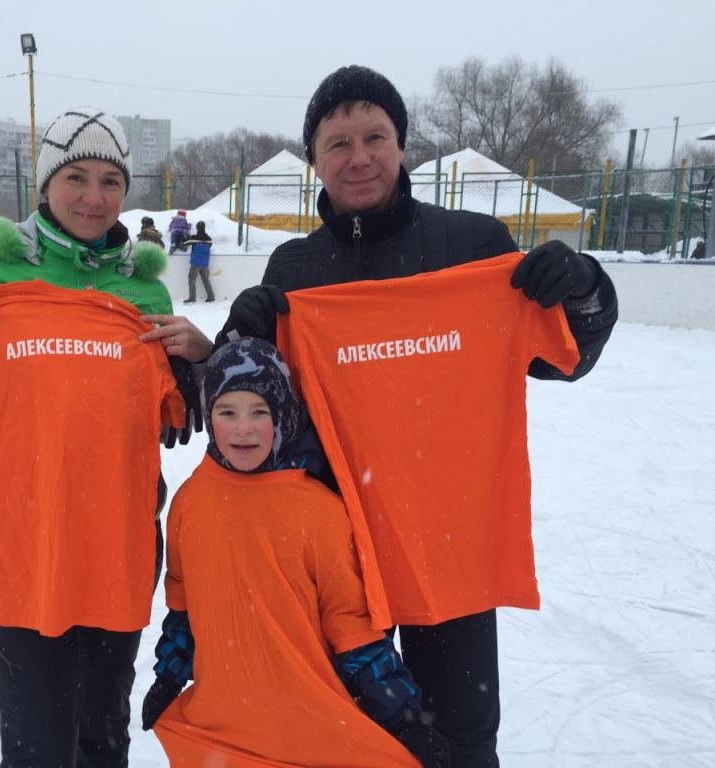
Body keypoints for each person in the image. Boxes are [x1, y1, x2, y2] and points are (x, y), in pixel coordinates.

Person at [218, 65, 618, 768]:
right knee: (340, 737)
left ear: (402, 146)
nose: (359, 156)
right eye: (338, 143)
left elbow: (564, 359)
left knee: (458, 741)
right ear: (314, 157)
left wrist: (585, 291)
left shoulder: (474, 246)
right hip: (333, 546)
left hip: (449, 546)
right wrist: (238, 334)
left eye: (376, 136)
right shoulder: (295, 266)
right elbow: (250, 406)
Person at [0, 106, 211, 768]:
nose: (94, 198)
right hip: (23, 551)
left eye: (111, 181)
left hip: (119, 546)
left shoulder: (145, 294)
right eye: (77, 178)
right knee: (36, 747)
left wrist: (202, 364)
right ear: (44, 185)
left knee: (101, 739)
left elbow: (185, 417)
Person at [141, 337, 449, 768]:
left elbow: (353, 628)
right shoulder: (190, 502)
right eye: (227, 412)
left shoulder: (320, 512)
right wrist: (169, 675)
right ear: (209, 417)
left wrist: (405, 717)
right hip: (224, 729)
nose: (242, 428)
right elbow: (185, 608)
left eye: (259, 412)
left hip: (307, 727)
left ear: (283, 416)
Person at [182, 221, 215, 304]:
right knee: (206, 280)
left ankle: (192, 298)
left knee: (191, 279)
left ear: (197, 228)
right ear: (204, 228)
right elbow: (210, 246)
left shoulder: (194, 238)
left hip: (195, 263)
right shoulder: (209, 239)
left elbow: (184, 243)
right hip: (204, 263)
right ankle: (211, 297)